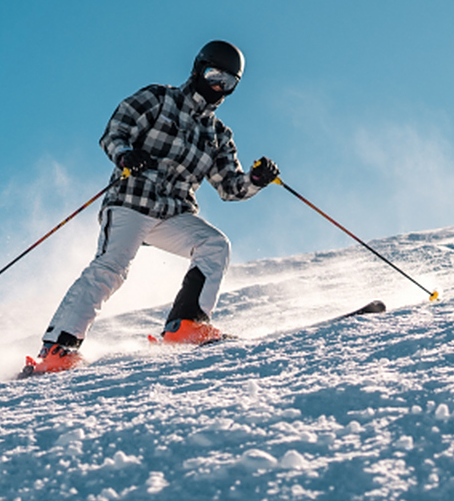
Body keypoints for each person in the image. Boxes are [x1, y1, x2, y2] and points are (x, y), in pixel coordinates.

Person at [24, 40, 279, 376]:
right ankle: (58, 349)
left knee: (214, 245)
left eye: (228, 82)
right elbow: (115, 131)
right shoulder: (159, 99)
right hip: (132, 200)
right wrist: (126, 154)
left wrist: (256, 180)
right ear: (198, 68)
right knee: (112, 266)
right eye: (214, 74)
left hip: (173, 213)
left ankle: (186, 326)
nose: (218, 85)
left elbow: (230, 188)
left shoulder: (217, 135)